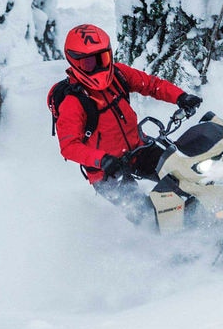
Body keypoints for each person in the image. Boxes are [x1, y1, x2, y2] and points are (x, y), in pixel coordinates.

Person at [52, 23, 202, 229]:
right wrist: (101, 160)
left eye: (101, 59)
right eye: (89, 63)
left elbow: (150, 84)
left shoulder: (117, 75)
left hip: (138, 149)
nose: (97, 67)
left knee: (184, 175)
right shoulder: (72, 102)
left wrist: (181, 97)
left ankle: (205, 216)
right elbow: (69, 146)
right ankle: (172, 250)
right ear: (75, 63)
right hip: (107, 172)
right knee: (147, 216)